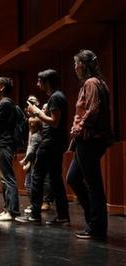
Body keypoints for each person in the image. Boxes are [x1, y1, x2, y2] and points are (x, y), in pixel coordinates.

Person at [67, 50, 112, 240]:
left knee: (93, 185)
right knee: (73, 178)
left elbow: (93, 110)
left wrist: (78, 129)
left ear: (83, 65)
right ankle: (92, 221)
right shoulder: (99, 82)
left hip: (89, 139)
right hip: (88, 140)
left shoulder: (90, 83)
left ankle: (97, 227)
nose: (75, 67)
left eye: (76, 63)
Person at [16, 69, 70, 225]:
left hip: (51, 142)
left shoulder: (55, 97)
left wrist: (36, 112)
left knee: (37, 176)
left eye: (40, 81)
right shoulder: (57, 96)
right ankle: (63, 216)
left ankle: (34, 214)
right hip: (56, 142)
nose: (37, 84)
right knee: (55, 179)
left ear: (47, 82)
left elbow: (54, 122)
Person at [0, 77, 20, 221]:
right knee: (4, 179)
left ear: (2, 87)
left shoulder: (4, 103)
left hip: (4, 143)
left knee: (8, 178)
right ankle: (7, 209)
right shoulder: (5, 103)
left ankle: (12, 211)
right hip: (4, 143)